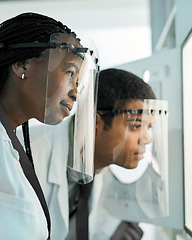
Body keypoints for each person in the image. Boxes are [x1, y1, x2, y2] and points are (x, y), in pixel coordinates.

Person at [0, 12, 99, 240]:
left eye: (78, 83)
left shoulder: (12, 147)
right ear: (22, 64)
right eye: (70, 73)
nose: (75, 93)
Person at [66, 68, 158, 240]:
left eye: (149, 127)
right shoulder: (28, 157)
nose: (147, 139)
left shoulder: (98, 172)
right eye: (136, 125)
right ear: (94, 123)